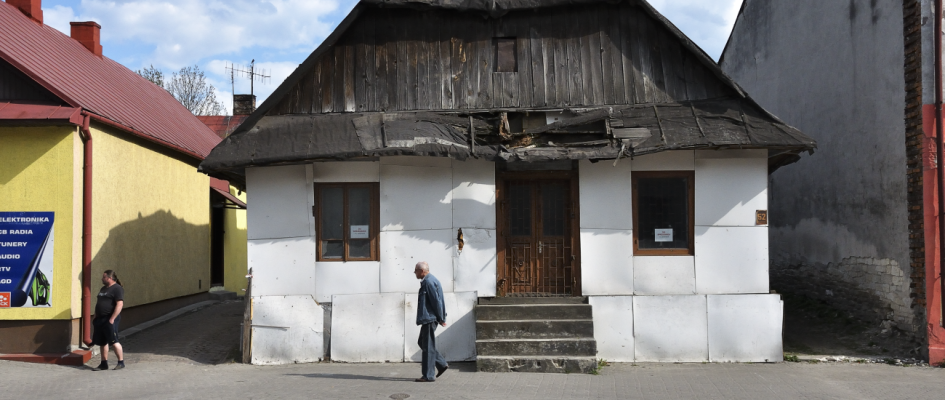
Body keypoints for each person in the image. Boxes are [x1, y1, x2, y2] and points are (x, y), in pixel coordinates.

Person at [413, 261, 448, 382]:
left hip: (430, 318)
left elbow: (436, 301)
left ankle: (428, 375)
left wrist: (441, 318)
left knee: (427, 346)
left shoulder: (428, 282)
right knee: (423, 343)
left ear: (422, 271)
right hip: (429, 318)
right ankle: (441, 364)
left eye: (416, 270)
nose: (415, 273)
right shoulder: (430, 280)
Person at [92, 270, 124, 371]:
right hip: (100, 319)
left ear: (110, 278)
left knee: (114, 341)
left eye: (104, 277)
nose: (102, 279)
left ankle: (121, 362)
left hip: (110, 319)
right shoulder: (103, 288)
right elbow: (99, 303)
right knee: (103, 342)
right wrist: (95, 315)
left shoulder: (117, 289)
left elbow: (119, 304)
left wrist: (112, 318)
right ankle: (103, 363)